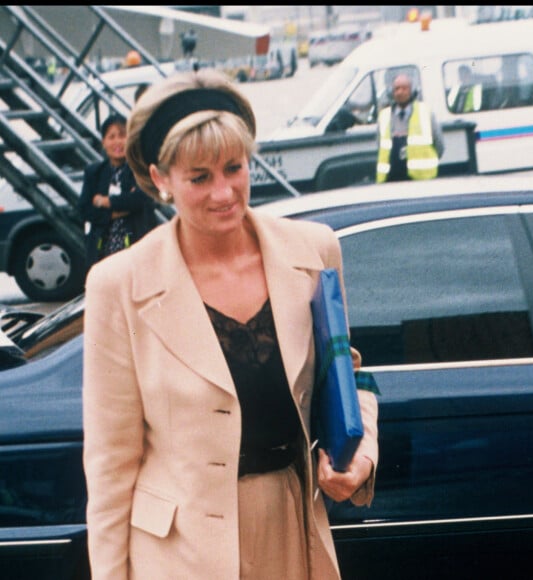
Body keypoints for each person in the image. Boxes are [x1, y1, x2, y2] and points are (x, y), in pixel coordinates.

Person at [82, 68, 379, 580]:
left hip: (292, 530)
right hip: (179, 553)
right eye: (200, 177)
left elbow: (346, 378)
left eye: (234, 168)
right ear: (160, 179)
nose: (224, 193)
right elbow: (110, 465)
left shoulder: (313, 252)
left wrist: (361, 457)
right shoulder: (118, 284)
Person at [78, 113, 158, 272]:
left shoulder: (141, 169)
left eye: (122, 135)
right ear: (103, 142)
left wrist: (105, 202)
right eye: (111, 137)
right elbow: (84, 209)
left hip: (138, 246)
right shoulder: (94, 172)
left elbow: (141, 199)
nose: (117, 142)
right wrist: (113, 214)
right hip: (104, 250)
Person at [376, 73, 445, 183]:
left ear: (412, 91)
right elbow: (380, 147)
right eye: (397, 88)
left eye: (404, 88)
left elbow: (439, 146)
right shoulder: (384, 116)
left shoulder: (425, 112)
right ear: (392, 92)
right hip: (391, 179)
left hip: (420, 180)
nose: (400, 92)